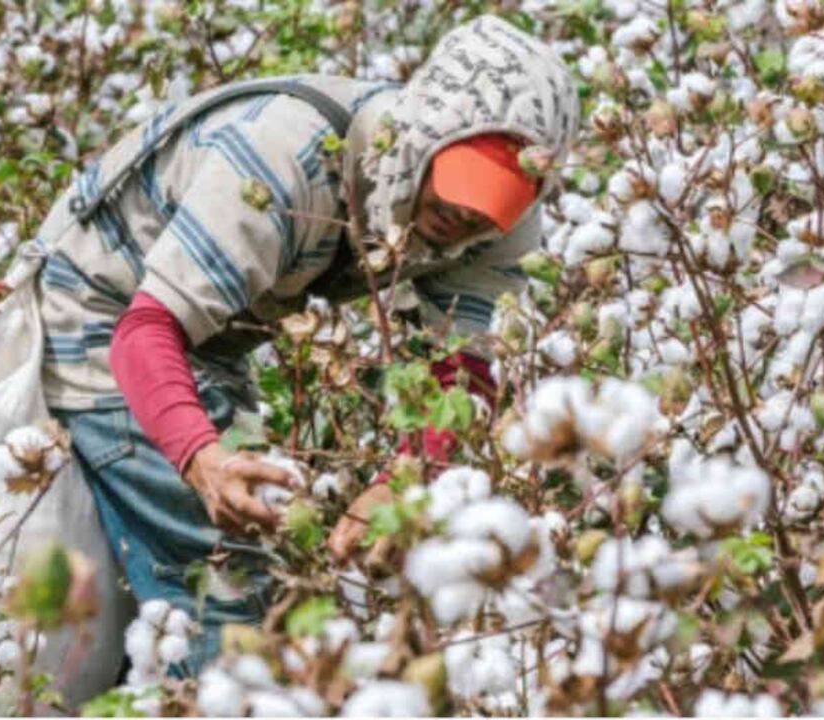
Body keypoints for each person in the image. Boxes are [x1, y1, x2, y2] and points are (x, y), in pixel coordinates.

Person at [32, 15, 578, 672]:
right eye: (460, 183)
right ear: (423, 138)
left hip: (214, 336)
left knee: (276, 553)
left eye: (493, 202)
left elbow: (463, 374)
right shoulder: (282, 156)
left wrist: (403, 482)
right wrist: (203, 461)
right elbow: (145, 332)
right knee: (223, 572)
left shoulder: (496, 223)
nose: (464, 216)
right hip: (103, 308)